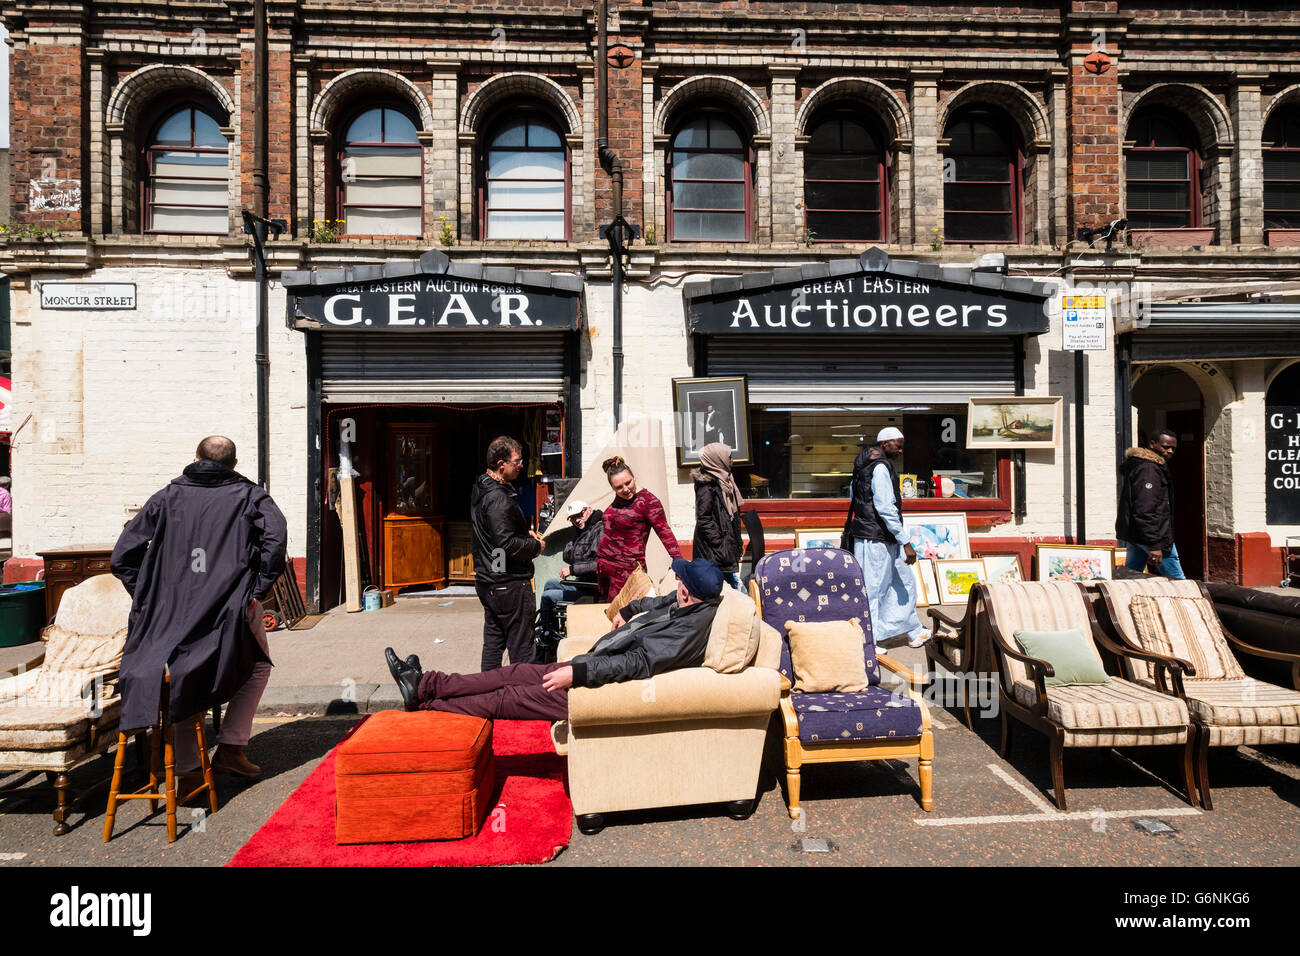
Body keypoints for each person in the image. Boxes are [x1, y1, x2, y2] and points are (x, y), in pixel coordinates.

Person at [110, 435, 287, 786]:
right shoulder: (251, 496)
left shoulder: (166, 497)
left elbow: (122, 557)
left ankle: (189, 767)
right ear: (234, 464)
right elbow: (276, 541)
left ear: (195, 457)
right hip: (231, 606)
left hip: (170, 610)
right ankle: (231, 748)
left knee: (182, 673)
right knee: (255, 668)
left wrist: (150, 596)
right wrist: (255, 590)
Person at [385, 557, 726, 721]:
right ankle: (427, 684)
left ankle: (428, 706)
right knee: (513, 672)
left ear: (690, 590)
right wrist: (629, 608)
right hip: (593, 666)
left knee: (509, 698)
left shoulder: (688, 630)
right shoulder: (684, 602)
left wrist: (575, 674)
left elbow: (636, 663)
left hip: (599, 690)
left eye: (681, 579)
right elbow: (653, 602)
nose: (677, 581)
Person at [847, 426, 929, 649]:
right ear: (884, 444)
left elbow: (854, 497)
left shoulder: (865, 466)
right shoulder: (880, 468)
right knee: (874, 590)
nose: (901, 450)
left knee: (903, 583)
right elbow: (885, 507)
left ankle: (912, 630)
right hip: (876, 539)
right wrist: (906, 541)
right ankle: (870, 642)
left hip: (877, 536)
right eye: (898, 445)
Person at [472, 435, 544, 669]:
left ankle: (488, 695)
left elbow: (497, 535)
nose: (521, 465)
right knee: (522, 647)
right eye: (517, 461)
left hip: (489, 581)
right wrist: (535, 546)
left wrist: (524, 535)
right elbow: (506, 544)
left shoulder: (482, 486)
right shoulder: (498, 498)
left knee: (493, 643)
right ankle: (522, 698)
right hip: (508, 583)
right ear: (501, 465)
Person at [596, 456, 683, 600]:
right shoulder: (619, 501)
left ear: (634, 477)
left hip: (629, 571)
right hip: (605, 568)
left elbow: (664, 532)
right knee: (609, 613)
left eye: (628, 483)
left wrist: (678, 561)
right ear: (612, 488)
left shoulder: (648, 501)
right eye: (619, 487)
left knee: (625, 615)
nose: (625, 489)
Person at [1118, 428, 1185, 579]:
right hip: (1154, 537)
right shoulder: (1149, 469)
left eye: (1173, 448)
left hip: (1138, 535)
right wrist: (1155, 545)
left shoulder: (1148, 466)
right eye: (1165, 446)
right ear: (1152, 444)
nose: (1170, 451)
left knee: (1130, 578)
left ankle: (1124, 600)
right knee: (1179, 582)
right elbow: (1144, 509)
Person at [536, 498, 604, 643]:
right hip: (584, 583)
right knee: (550, 583)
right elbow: (569, 556)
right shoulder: (585, 529)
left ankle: (547, 636)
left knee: (547, 596)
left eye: (580, 515)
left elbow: (599, 563)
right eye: (573, 518)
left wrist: (573, 569)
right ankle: (549, 631)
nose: (577, 520)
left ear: (589, 510)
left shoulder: (599, 529)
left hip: (593, 588)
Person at [692, 442, 744, 589]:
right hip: (713, 552)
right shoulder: (707, 486)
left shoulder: (726, 480)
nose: (732, 460)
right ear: (718, 459)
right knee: (723, 589)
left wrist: (735, 543)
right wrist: (720, 544)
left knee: (728, 588)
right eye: (729, 457)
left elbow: (731, 515)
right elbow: (704, 518)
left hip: (723, 548)